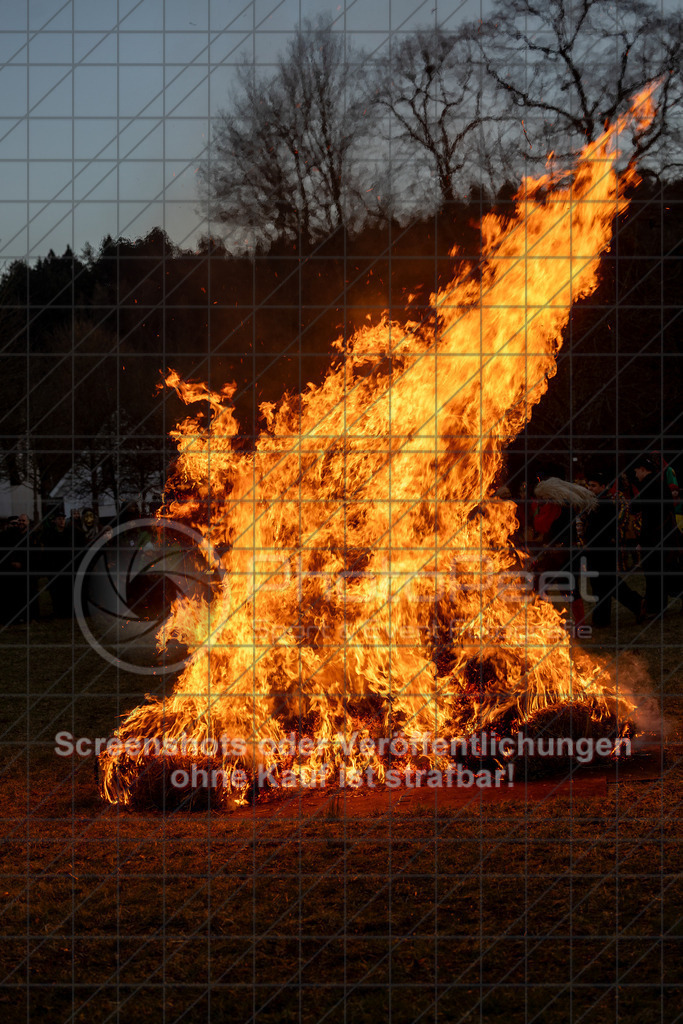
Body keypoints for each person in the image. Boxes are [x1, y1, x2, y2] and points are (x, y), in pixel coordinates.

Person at [583, 471, 642, 627]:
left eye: (594, 486)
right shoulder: (595, 502)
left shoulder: (606, 503)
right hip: (596, 551)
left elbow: (603, 529)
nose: (590, 488)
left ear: (604, 486)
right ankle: (603, 617)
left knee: (606, 584)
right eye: (589, 485)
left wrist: (593, 543)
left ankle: (636, 604)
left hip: (603, 551)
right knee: (602, 585)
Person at [629, 455, 681, 618]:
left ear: (644, 470)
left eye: (636, 471)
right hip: (665, 534)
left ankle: (655, 607)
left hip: (656, 537)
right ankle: (656, 606)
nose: (635, 474)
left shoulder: (649, 485)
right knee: (664, 572)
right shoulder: (658, 482)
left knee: (656, 574)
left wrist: (642, 541)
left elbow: (649, 517)